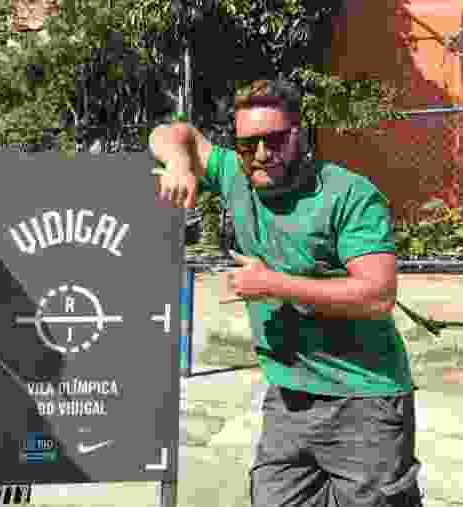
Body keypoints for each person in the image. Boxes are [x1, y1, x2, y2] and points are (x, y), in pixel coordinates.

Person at [150, 79, 423, 506]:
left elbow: (377, 294)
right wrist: (180, 164)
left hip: (364, 400)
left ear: (300, 134)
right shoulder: (236, 175)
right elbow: (170, 132)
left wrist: (272, 284)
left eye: (275, 140)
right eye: (247, 145)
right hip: (288, 399)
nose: (261, 154)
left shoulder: (347, 194)